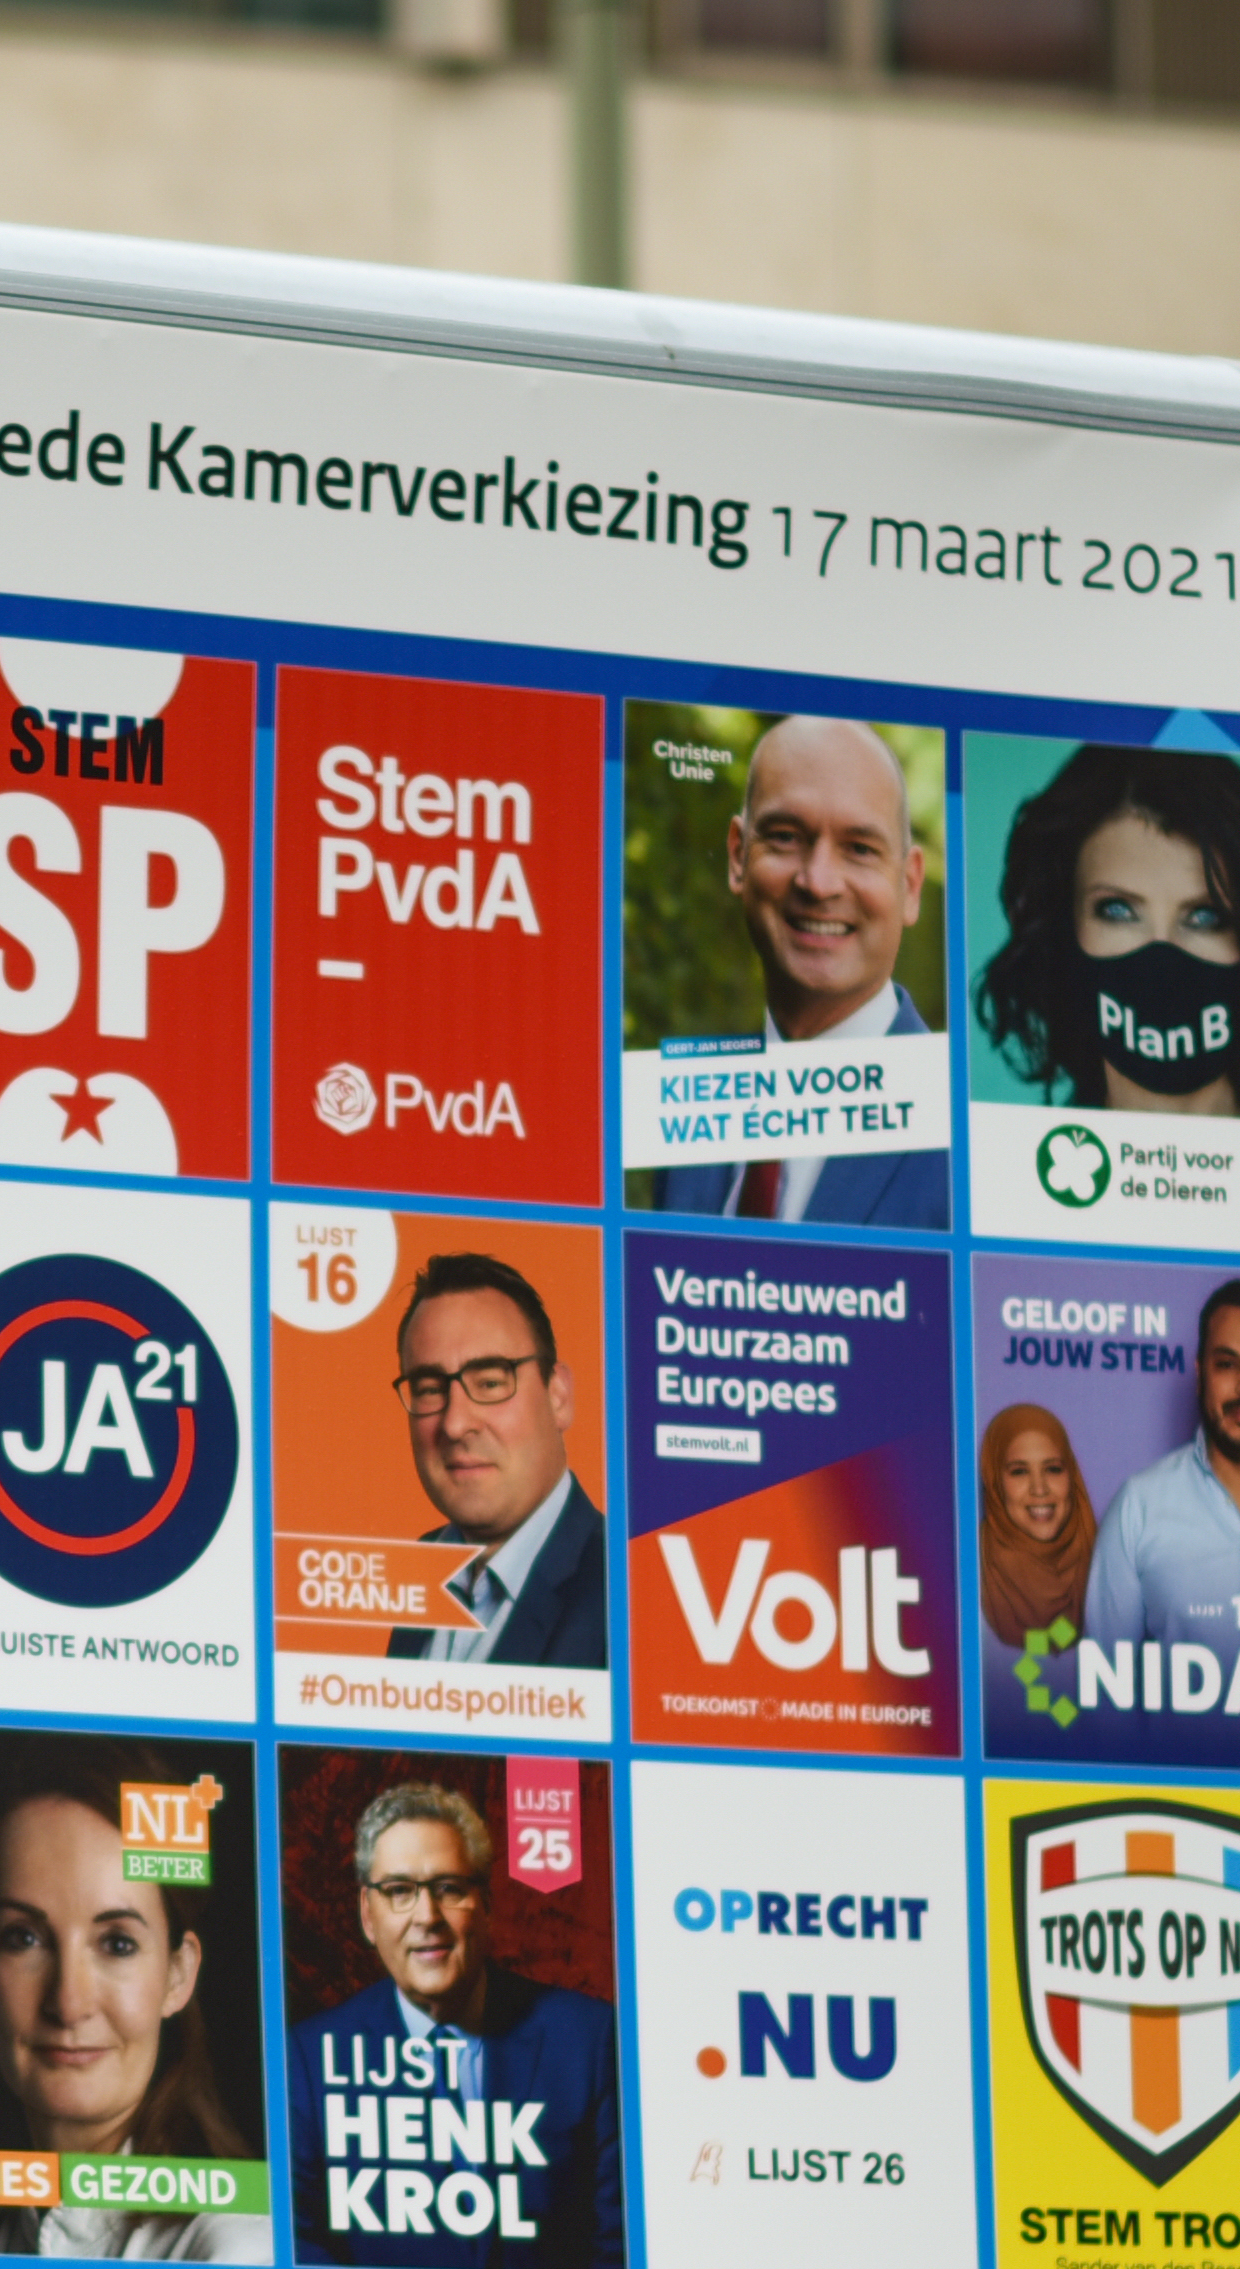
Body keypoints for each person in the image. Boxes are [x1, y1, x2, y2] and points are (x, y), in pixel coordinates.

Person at [287, 1777, 623, 2269]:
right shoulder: (309, 2059)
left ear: (486, 1905)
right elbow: (301, 2247)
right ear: (367, 1915)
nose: (427, 1916)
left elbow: (618, 2248)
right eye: (399, 1891)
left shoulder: (588, 2041)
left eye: (449, 1889)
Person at [0, 1753, 265, 2264]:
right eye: (23, 1938)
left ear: (177, 1976)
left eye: (117, 1944)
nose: (69, 2003)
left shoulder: (234, 2250)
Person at [646, 715, 940, 1228]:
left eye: (860, 849)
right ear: (737, 856)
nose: (818, 882)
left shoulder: (963, 1132)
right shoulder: (687, 1111)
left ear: (909, 885)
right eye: (785, 837)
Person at [974, 747, 1240, 1121]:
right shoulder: (1027, 1167)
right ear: (1062, 929)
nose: (1162, 955)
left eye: (1205, 917)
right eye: (1118, 911)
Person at [1083, 1282, 1240, 1730]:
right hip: (1175, 1799)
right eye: (1228, 1365)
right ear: (1199, 1372)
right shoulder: (1141, 1506)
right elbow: (1103, 1703)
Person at [377, 1253, 605, 1672]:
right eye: (429, 1389)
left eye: (490, 1382)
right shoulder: (421, 1569)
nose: (456, 1423)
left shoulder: (626, 1587)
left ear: (558, 1397)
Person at [978, 1402, 1101, 1716]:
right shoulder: (966, 1571)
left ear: (1071, 1475)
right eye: (1019, 1471)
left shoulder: (1110, 1560)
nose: (1040, 1489)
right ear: (994, 1481)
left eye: (1053, 1469)